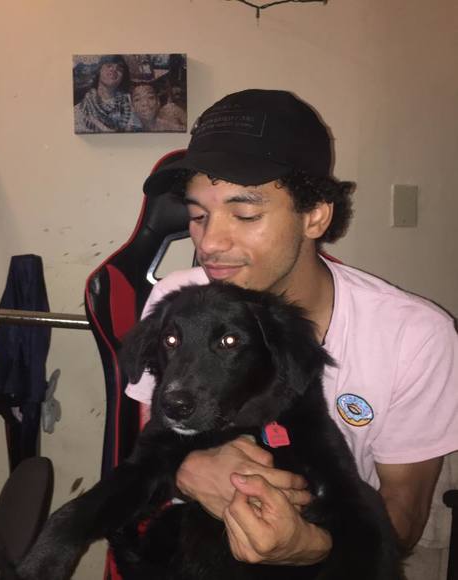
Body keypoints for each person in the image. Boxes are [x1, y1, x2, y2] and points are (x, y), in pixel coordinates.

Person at [126, 89, 458, 568]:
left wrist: (311, 548)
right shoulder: (177, 300)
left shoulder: (415, 337)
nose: (209, 243)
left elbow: (404, 515)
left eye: (245, 214)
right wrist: (187, 469)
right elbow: (153, 447)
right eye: (198, 216)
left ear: (315, 215)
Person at [74, 55, 139, 133]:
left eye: (119, 69)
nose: (114, 70)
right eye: (109, 66)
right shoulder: (81, 108)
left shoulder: (132, 102)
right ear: (99, 70)